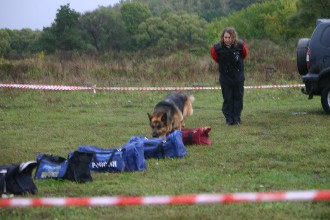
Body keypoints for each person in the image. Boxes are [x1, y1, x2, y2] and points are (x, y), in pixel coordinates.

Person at [210, 27, 248, 126]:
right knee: (227, 98)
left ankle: (236, 119)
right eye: (225, 37)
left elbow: (244, 55)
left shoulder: (241, 45)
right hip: (225, 77)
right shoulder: (216, 48)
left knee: (238, 98)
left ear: (233, 38)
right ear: (223, 37)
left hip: (238, 77)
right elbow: (215, 58)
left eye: (229, 37)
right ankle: (229, 120)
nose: (227, 39)